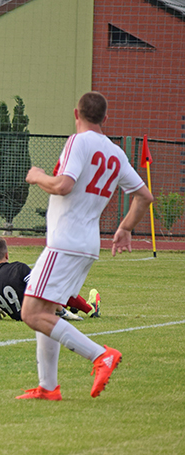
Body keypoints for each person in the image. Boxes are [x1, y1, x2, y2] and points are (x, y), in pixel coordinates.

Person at [17, 91, 153, 400]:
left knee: (31, 313)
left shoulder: (78, 142)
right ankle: (48, 387)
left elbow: (63, 185)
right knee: (47, 310)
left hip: (65, 241)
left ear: (76, 114)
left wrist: (38, 176)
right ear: (105, 118)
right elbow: (144, 196)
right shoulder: (116, 153)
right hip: (87, 244)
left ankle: (100, 355)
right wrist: (125, 228)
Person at [0, 236, 97, 321]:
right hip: (41, 312)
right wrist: (61, 311)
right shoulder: (18, 268)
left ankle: (71, 307)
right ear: (7, 255)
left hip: (22, 316)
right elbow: (43, 290)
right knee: (53, 281)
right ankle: (90, 309)